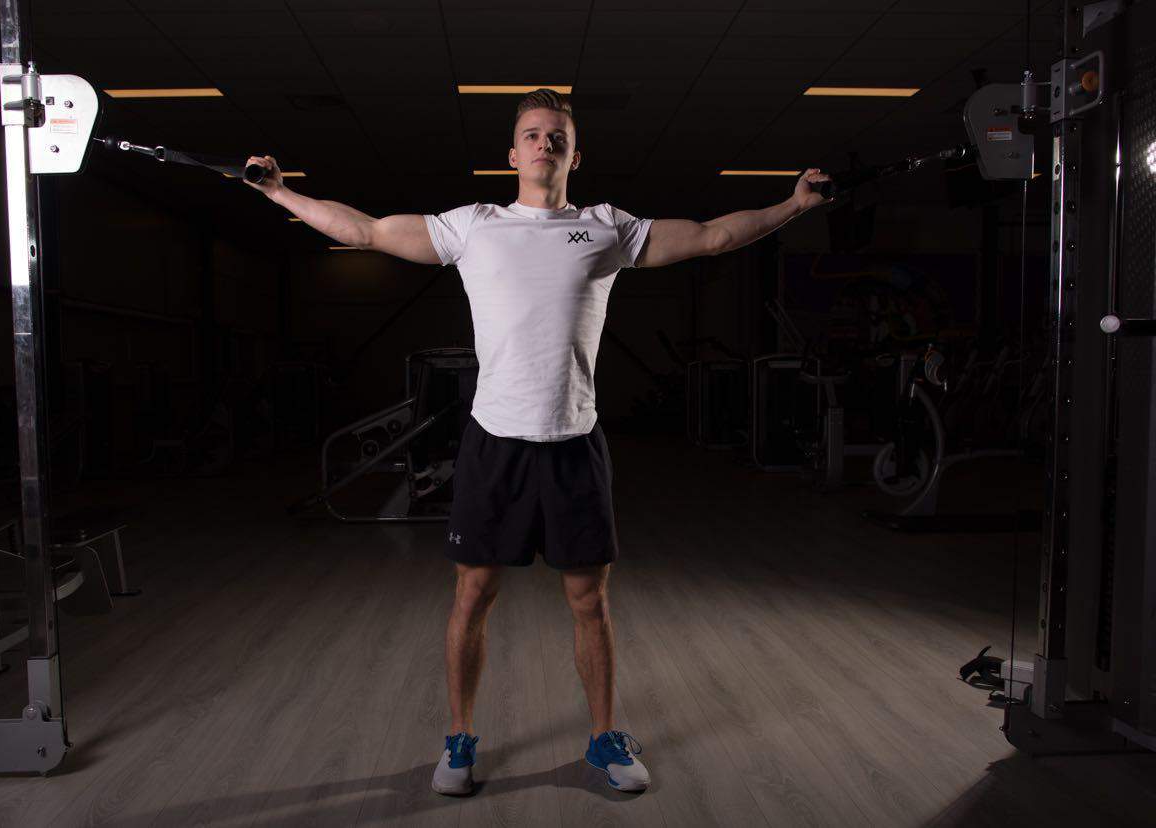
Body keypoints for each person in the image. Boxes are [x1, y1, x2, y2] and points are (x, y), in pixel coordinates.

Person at [247, 88, 830, 796]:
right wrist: (281, 194)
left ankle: (603, 738)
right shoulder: (473, 226)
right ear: (512, 154)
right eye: (532, 134)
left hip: (574, 440)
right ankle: (459, 741)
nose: (544, 143)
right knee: (472, 595)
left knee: (589, 601)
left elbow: (713, 236)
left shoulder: (607, 227)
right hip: (495, 442)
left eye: (557, 136)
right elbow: (367, 231)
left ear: (574, 156)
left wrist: (794, 205)